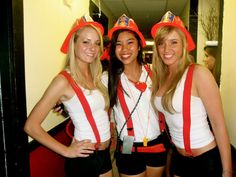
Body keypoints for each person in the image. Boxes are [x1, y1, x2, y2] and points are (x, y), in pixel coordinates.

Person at [24, 14, 113, 177]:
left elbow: (85, 108)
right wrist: (66, 151)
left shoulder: (97, 77)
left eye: (96, 43)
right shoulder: (62, 81)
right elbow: (31, 126)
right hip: (84, 159)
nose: (92, 48)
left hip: (104, 154)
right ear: (74, 43)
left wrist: (64, 107)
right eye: (85, 42)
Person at [150, 11, 232, 177]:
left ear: (184, 45)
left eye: (174, 42)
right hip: (178, 159)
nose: (167, 49)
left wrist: (227, 170)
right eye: (161, 43)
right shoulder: (160, 76)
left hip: (205, 159)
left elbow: (218, 124)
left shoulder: (198, 74)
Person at [108, 14, 167, 177]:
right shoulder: (108, 78)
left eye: (130, 42)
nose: (124, 49)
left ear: (139, 45)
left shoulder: (156, 73)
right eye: (118, 44)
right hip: (128, 148)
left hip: (156, 145)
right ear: (114, 49)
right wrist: (62, 103)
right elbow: (86, 91)